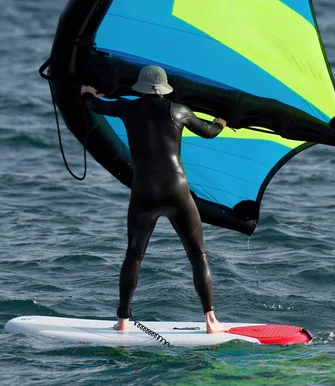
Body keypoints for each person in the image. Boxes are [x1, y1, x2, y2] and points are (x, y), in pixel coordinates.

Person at [80, 65, 228, 333]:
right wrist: (220, 123)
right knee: (197, 255)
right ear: (164, 90)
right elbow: (208, 131)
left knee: (134, 256)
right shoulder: (179, 111)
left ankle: (122, 321)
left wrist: (87, 93)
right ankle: (210, 321)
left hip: (144, 190)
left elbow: (95, 106)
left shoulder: (128, 108)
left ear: (140, 88)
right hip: (177, 189)